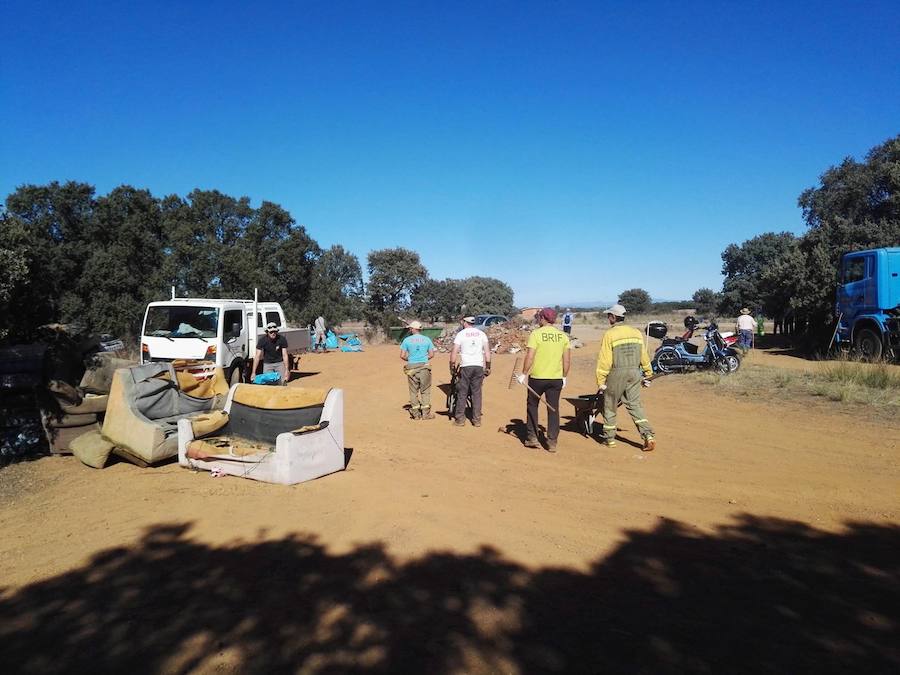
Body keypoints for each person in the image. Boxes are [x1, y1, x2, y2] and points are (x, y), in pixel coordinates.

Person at [595, 304, 655, 451]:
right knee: (634, 405)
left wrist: (601, 380)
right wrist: (648, 373)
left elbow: (605, 360)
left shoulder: (610, 334)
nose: (608, 318)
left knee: (610, 405)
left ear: (614, 317)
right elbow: (644, 355)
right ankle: (648, 435)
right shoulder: (636, 332)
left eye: (609, 315)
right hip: (635, 372)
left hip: (617, 373)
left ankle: (609, 439)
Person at [516, 307, 570, 452]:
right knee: (553, 408)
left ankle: (532, 437)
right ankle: (552, 442)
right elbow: (566, 360)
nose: (539, 319)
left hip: (537, 378)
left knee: (532, 406)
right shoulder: (563, 336)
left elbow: (530, 356)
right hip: (556, 379)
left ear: (544, 319)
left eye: (540, 317)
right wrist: (564, 376)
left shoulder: (536, 334)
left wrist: (523, 374)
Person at [450, 315, 491, 427]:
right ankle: (477, 420)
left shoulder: (461, 334)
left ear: (464, 322)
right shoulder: (482, 334)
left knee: (462, 393)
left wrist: (452, 366)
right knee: (476, 393)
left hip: (466, 366)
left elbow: (454, 352)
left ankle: (460, 419)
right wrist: (488, 366)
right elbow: (487, 352)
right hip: (478, 366)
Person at [400, 320, 436, 420]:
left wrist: (411, 359)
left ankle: (415, 414)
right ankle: (426, 414)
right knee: (425, 391)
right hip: (424, 367)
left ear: (413, 329)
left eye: (410, 328)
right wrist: (422, 359)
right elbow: (432, 354)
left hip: (411, 368)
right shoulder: (427, 339)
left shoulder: (406, 340)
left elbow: (402, 356)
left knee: (413, 391)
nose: (410, 330)